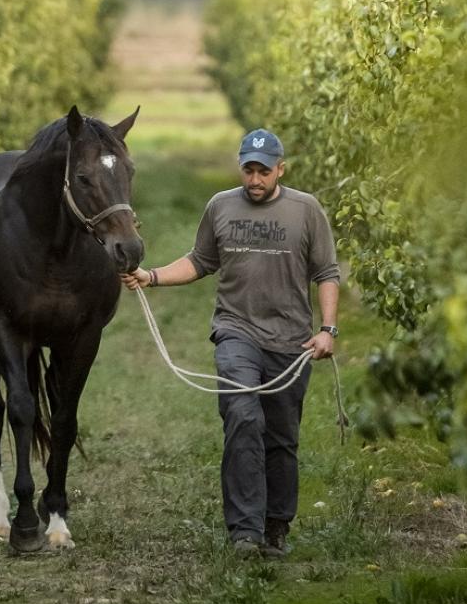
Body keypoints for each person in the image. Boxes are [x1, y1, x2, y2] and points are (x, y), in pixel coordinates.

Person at [121, 127, 340, 558]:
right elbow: (201, 261)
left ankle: (276, 526)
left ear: (281, 169)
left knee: (281, 437)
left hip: (292, 341)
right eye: (248, 170)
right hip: (235, 331)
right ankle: (244, 531)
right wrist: (152, 276)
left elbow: (327, 273)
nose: (254, 180)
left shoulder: (306, 210)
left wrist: (327, 330)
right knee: (242, 418)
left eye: (263, 171)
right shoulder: (220, 206)